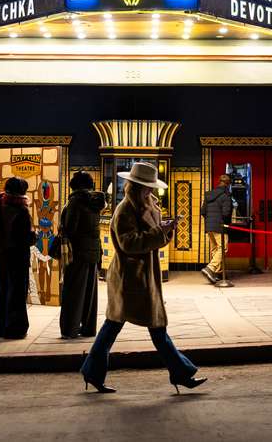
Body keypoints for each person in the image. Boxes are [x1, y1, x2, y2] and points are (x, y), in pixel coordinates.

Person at [80, 161, 206, 394]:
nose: (152, 191)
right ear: (136, 187)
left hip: (143, 277)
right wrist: (160, 232)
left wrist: (165, 230)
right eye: (147, 187)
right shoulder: (125, 209)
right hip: (131, 278)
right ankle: (181, 372)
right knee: (142, 326)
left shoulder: (148, 205)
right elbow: (129, 243)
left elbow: (151, 237)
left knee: (123, 326)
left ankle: (92, 372)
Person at [58, 171, 106, 339]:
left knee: (73, 292)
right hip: (93, 252)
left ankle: (69, 329)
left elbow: (71, 229)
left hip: (77, 253)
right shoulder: (95, 202)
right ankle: (88, 328)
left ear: (74, 185)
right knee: (89, 293)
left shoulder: (75, 202)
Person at [0, 176, 35, 339]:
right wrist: (33, 235)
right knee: (17, 293)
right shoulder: (22, 210)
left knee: (2, 291)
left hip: (2, 255)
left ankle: (0, 328)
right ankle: (15, 329)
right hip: (18, 256)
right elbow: (27, 238)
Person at [200, 173, 234, 283]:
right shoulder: (226, 196)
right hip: (220, 226)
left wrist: (210, 220)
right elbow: (226, 213)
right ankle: (211, 268)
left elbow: (203, 211)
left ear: (219, 182)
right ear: (228, 184)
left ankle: (217, 274)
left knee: (215, 248)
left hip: (209, 226)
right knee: (223, 248)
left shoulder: (209, 194)